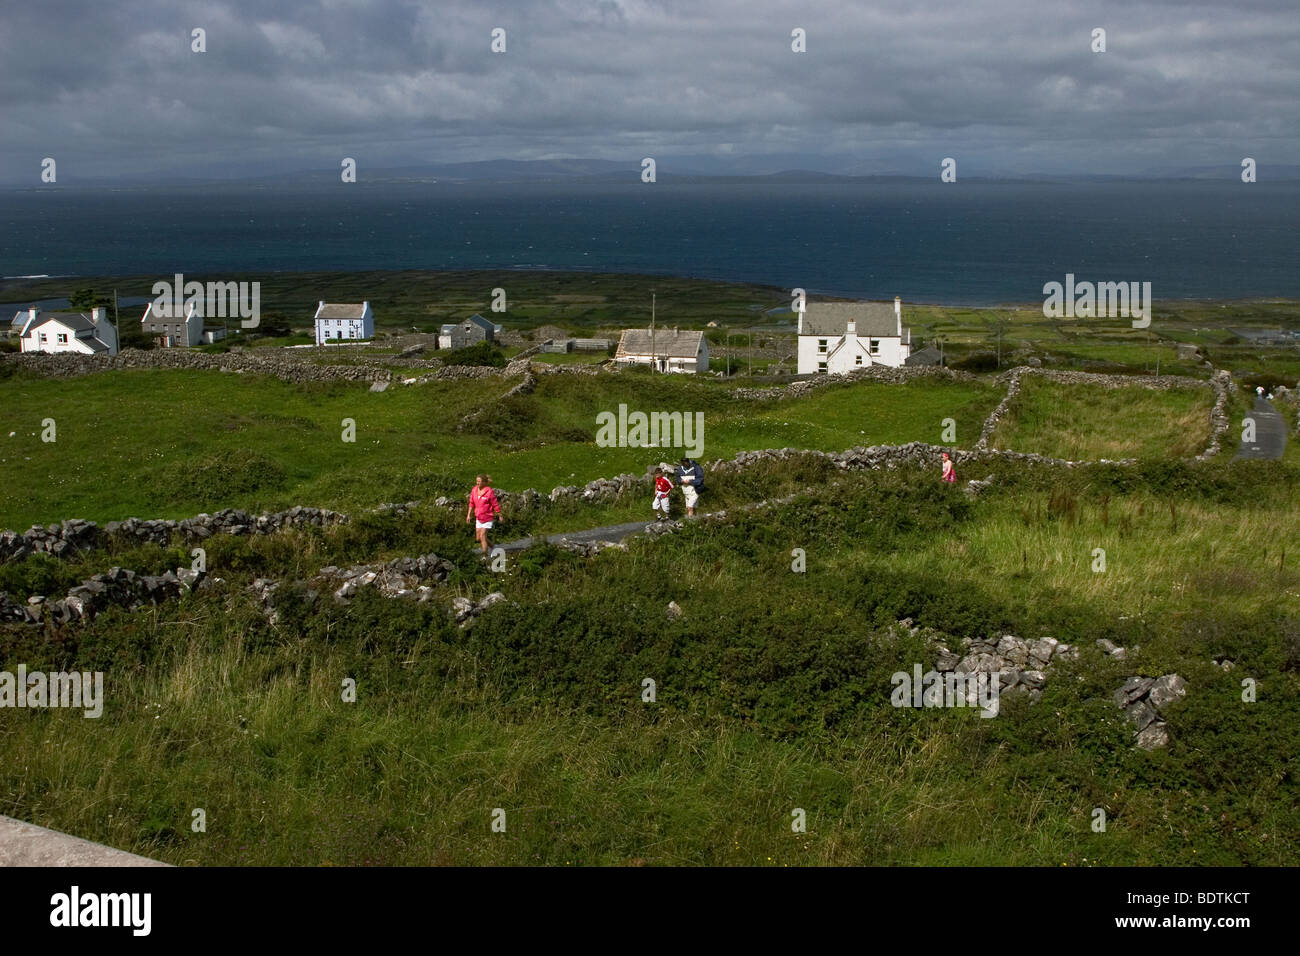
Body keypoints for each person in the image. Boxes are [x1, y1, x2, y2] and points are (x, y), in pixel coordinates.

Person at [466, 474, 502, 555]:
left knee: (482, 536)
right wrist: (468, 515)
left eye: (479, 481)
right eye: (477, 481)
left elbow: (495, 504)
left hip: (488, 518)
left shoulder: (489, 492)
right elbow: (471, 503)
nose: (477, 483)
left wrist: (500, 515)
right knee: (478, 538)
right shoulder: (474, 490)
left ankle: (484, 556)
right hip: (478, 517)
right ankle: (493, 547)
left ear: (485, 482)